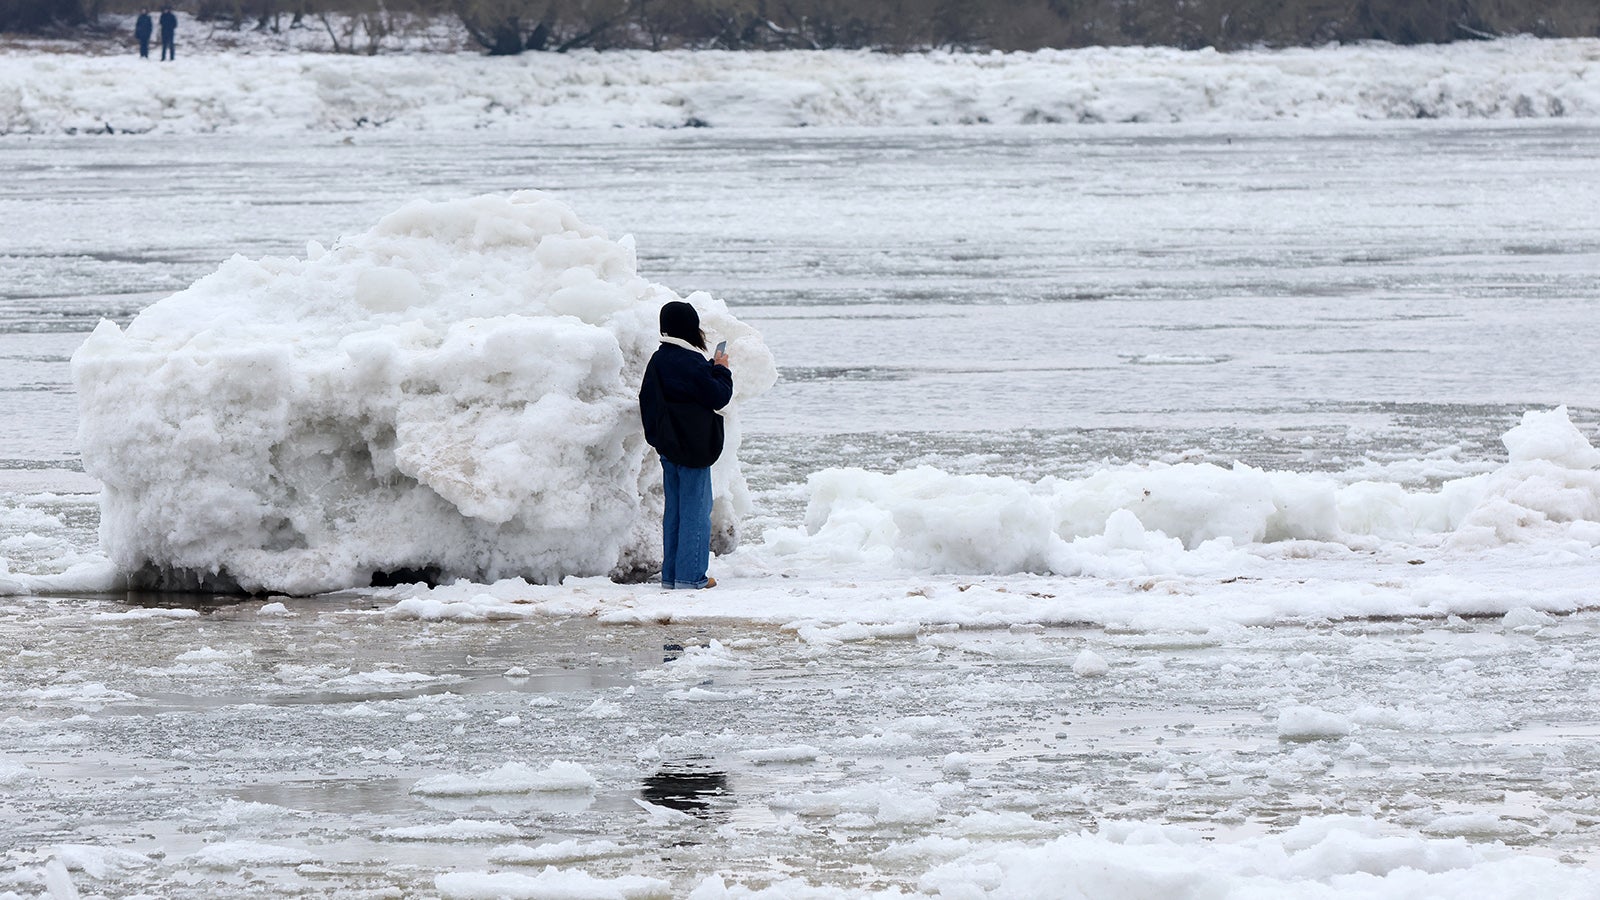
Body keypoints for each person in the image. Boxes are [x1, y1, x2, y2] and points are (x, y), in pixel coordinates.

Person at [638, 301, 733, 590]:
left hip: (669, 447)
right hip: (693, 447)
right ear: (690, 328)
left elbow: (649, 399)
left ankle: (672, 575)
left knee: (675, 513)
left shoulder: (659, 359)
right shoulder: (690, 360)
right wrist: (721, 370)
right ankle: (691, 576)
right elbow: (718, 396)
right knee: (696, 513)